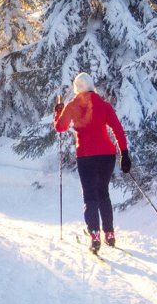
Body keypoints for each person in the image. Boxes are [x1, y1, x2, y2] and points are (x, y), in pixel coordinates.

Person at [54, 72, 132, 253]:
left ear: (76, 88)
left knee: (90, 196)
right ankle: (110, 234)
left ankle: (95, 234)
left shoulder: (72, 105)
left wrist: (58, 112)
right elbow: (118, 129)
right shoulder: (103, 105)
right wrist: (124, 154)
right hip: (107, 156)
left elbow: (60, 127)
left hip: (86, 156)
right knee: (103, 193)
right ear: (91, 85)